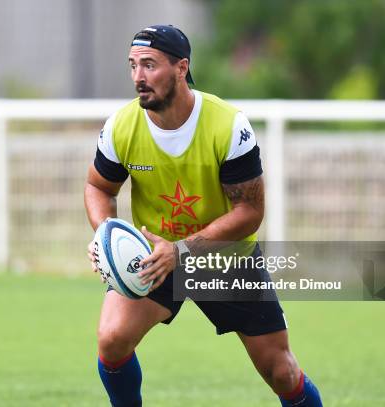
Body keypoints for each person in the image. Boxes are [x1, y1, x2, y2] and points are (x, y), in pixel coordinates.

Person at [84, 25, 323, 406]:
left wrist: (181, 250)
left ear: (181, 68)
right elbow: (99, 187)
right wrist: (106, 235)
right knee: (112, 340)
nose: (138, 77)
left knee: (281, 371)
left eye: (149, 65)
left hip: (227, 258)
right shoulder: (120, 127)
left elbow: (249, 211)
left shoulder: (227, 126)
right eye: (132, 66)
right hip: (153, 258)